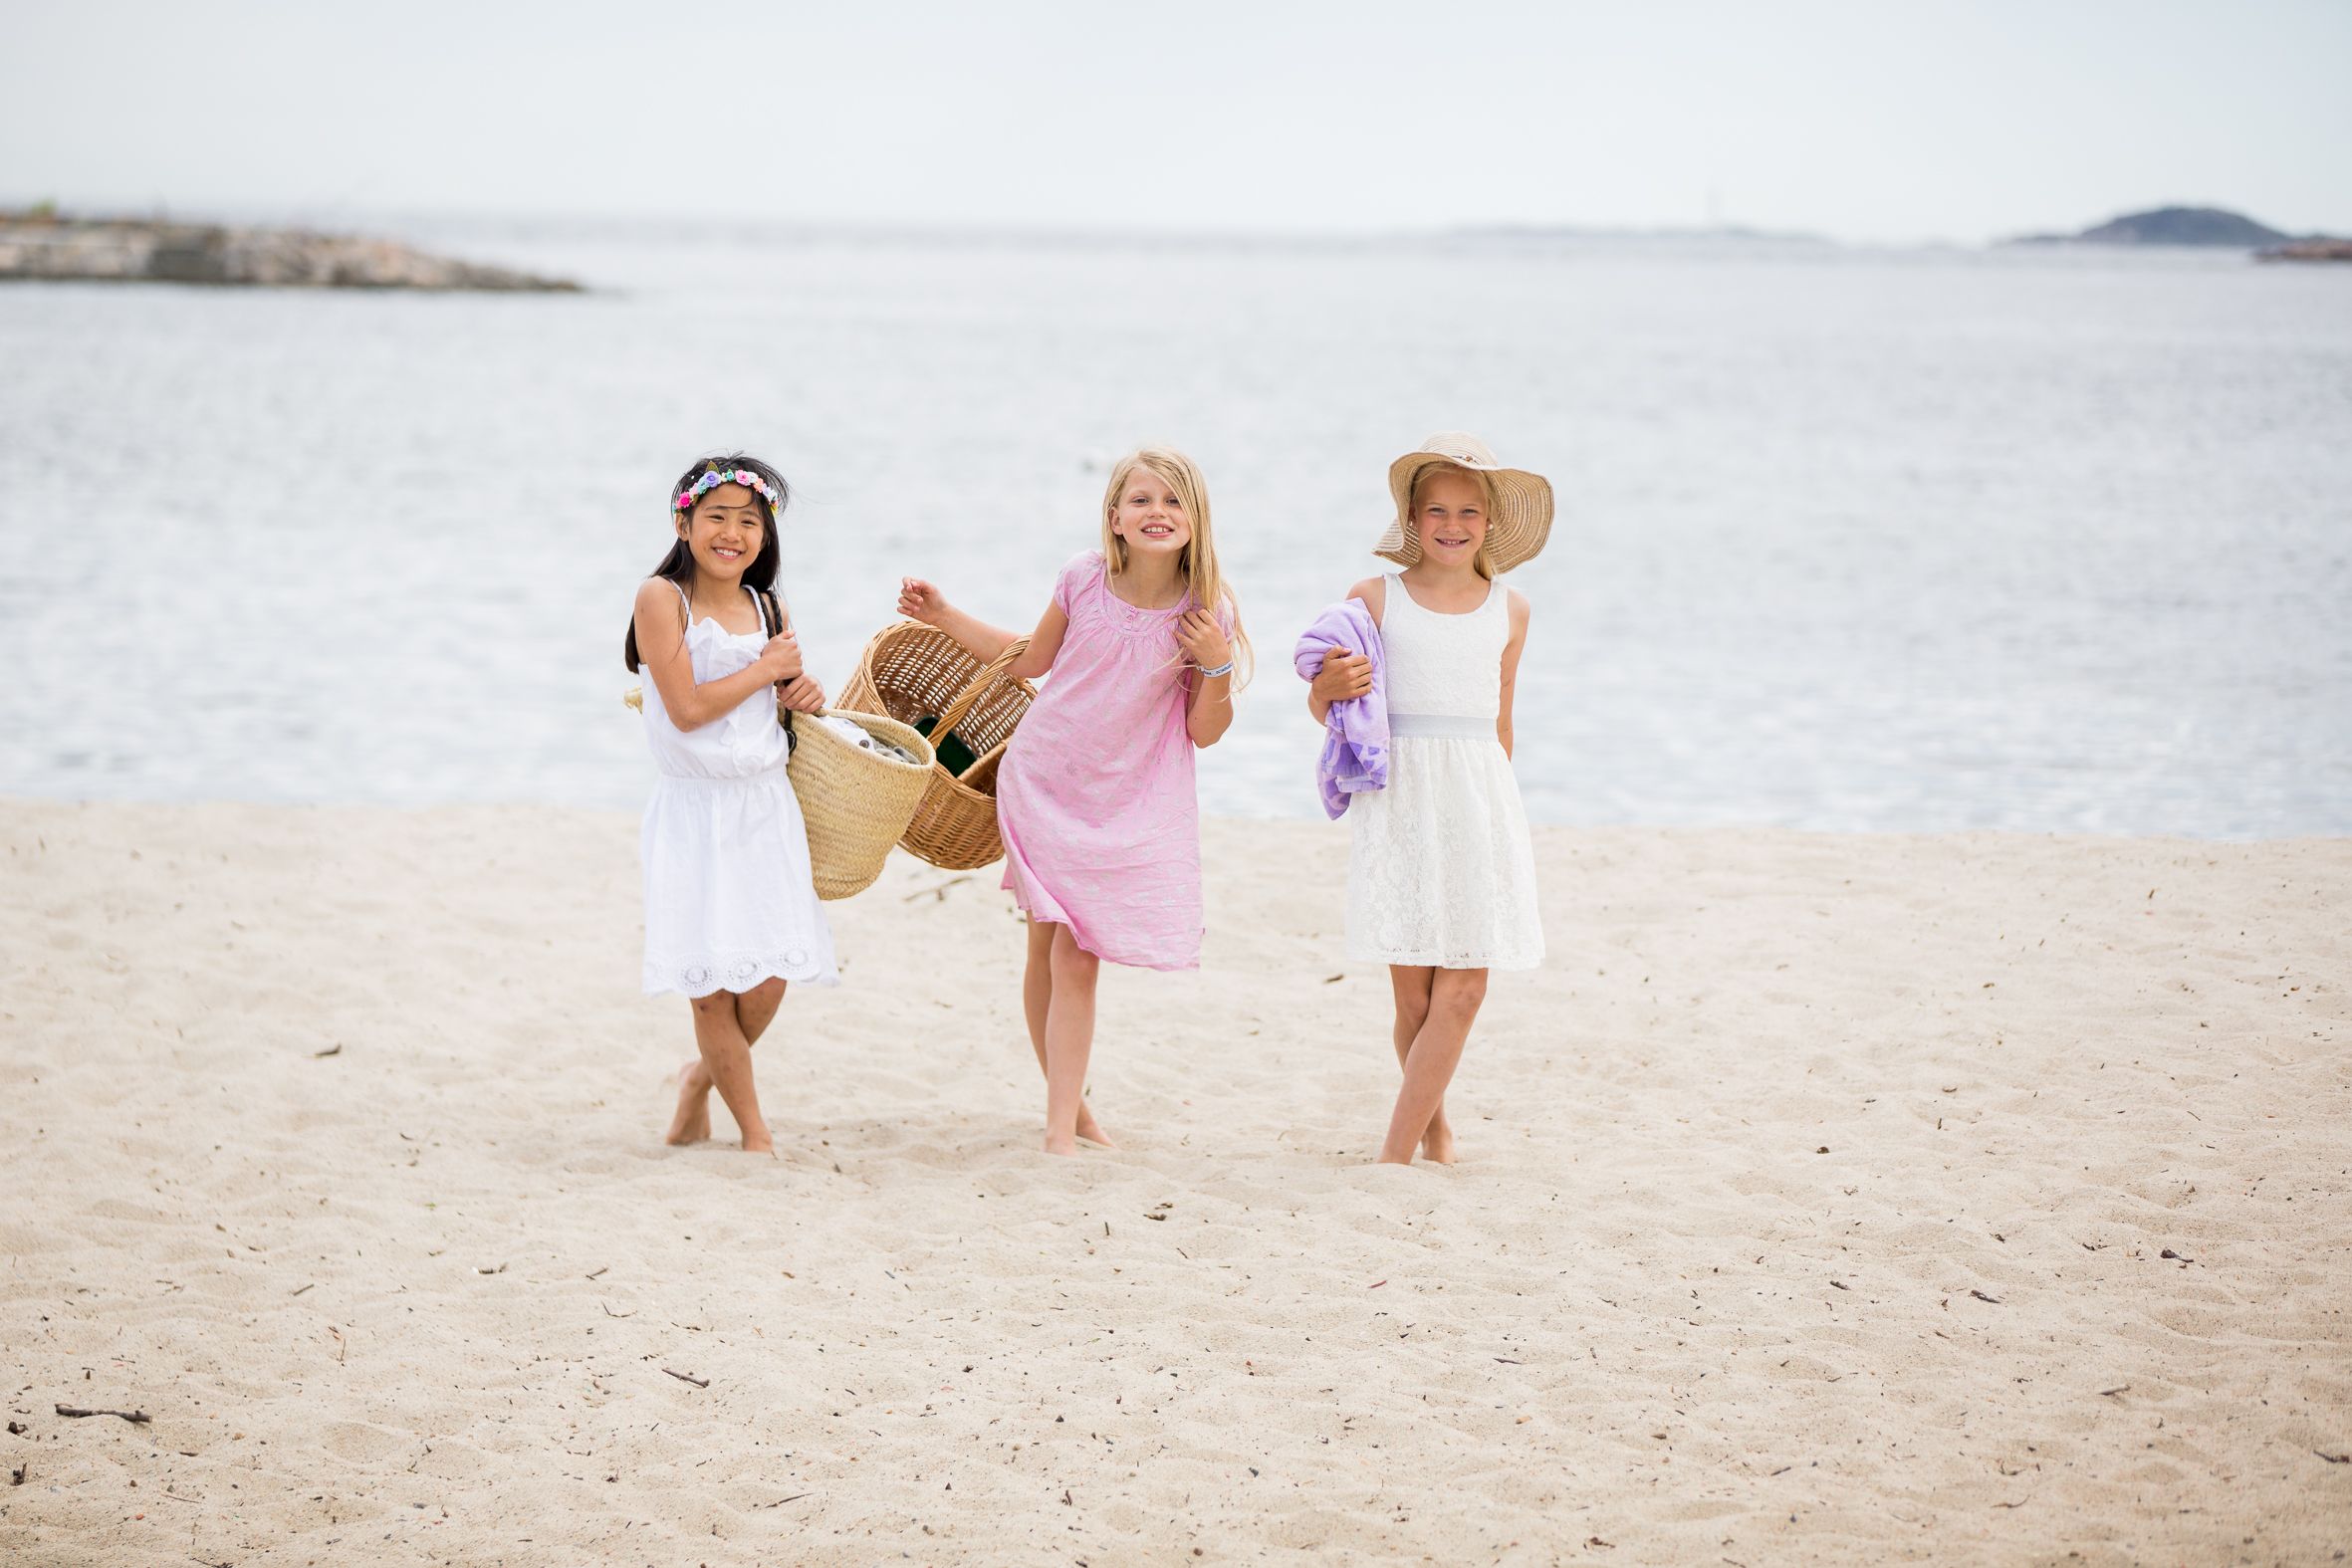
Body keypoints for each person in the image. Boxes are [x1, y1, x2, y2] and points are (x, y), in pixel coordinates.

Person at [897, 447, 1249, 1154]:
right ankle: (1064, 1126)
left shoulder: (1207, 611)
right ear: (1114, 516)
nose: (1158, 512)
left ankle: (1069, 1107)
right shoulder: (1083, 579)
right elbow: (1029, 659)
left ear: (1196, 518)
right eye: (1142, 499)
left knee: (1068, 948)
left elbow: (1204, 731)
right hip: (1046, 779)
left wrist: (1216, 662)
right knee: (1061, 950)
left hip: (1127, 800)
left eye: (1174, 501)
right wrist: (943, 615)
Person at [1305, 434, 1548, 1165]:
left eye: (1468, 511)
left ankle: (1394, 1153)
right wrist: (1325, 691)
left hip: (1479, 802)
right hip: (1402, 798)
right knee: (1414, 999)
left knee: (1465, 989)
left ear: (1491, 520)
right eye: (1436, 509)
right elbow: (1332, 708)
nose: (1452, 524)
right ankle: (1435, 1131)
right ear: (1411, 518)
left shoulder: (1512, 609)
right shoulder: (1374, 600)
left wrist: (1500, 817)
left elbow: (1501, 723)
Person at [625, 455, 832, 1155]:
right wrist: (766, 671)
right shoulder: (662, 598)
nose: (733, 533)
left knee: (769, 978)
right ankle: (756, 1134)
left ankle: (698, 1081)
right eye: (717, 517)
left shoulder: (768, 606)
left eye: (750, 521)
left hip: (764, 807)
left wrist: (801, 690)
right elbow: (684, 710)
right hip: (694, 810)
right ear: (684, 522)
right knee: (712, 984)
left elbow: (781, 697)